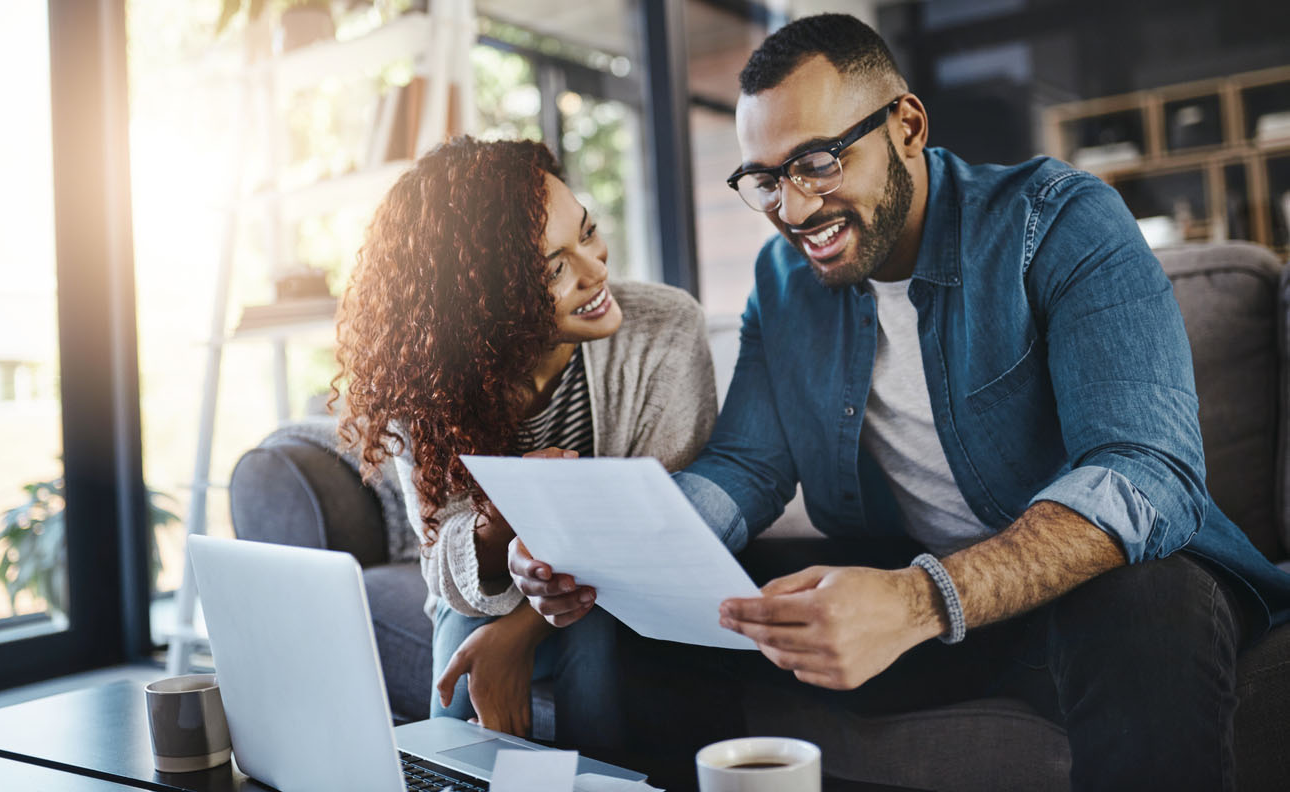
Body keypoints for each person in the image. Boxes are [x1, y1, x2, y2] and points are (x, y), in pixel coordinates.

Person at [509, 13, 1290, 789]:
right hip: (909, 597)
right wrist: (611, 553)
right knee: (629, 625)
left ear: (906, 125)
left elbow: (1145, 470)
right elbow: (746, 465)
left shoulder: (1057, 222)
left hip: (1072, 604)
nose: (793, 208)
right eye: (766, 179)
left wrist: (922, 600)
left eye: (816, 162)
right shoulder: (781, 286)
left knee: (1145, 602)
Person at [332, 136, 716, 752]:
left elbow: (658, 531)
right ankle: (450, 770)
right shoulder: (421, 383)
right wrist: (497, 517)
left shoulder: (665, 330)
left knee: (588, 622)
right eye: (556, 268)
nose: (596, 272)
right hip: (486, 598)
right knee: (462, 621)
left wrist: (516, 636)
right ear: (483, 302)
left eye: (587, 233)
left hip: (621, 603)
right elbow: (445, 573)